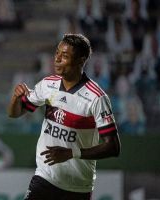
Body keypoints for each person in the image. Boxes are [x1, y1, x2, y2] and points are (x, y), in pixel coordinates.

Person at [8, 34, 121, 199]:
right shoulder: (48, 85)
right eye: (57, 53)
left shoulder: (96, 98)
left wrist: (71, 153)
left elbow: (113, 147)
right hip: (44, 178)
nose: (57, 59)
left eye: (65, 56)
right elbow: (15, 113)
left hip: (78, 187)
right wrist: (15, 99)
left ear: (80, 61)